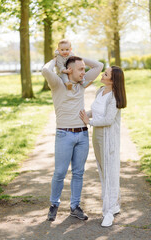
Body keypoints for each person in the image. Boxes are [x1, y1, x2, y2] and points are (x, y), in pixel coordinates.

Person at [42, 55, 104, 221]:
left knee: (78, 173)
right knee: (60, 172)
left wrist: (78, 57)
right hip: (64, 134)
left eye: (84, 69)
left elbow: (99, 65)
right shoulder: (58, 84)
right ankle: (54, 204)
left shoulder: (82, 84)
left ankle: (74, 206)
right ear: (70, 70)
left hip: (82, 134)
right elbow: (45, 70)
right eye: (81, 69)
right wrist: (58, 60)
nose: (84, 72)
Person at [80, 66, 127, 227]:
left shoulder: (114, 97)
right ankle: (114, 205)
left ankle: (108, 213)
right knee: (104, 172)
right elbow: (95, 110)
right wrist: (84, 114)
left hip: (108, 139)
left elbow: (107, 120)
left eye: (105, 74)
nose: (102, 74)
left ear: (113, 80)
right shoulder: (100, 91)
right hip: (97, 137)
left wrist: (89, 122)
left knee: (110, 173)